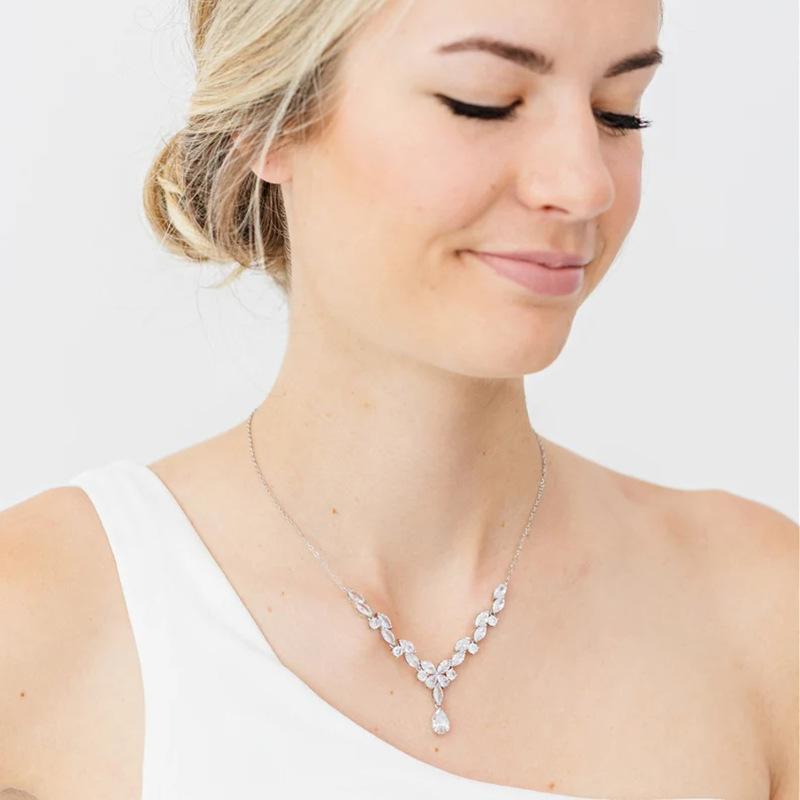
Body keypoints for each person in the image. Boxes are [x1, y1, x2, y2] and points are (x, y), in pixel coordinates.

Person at [1, 0, 796, 798]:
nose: (584, 184)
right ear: (270, 122)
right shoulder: (38, 620)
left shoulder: (760, 609)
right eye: (483, 102)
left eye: (618, 113)